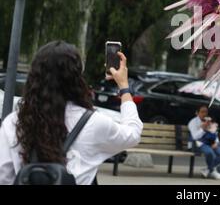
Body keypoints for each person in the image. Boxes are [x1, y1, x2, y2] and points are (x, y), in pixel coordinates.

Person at [0, 41, 143, 185]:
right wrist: (124, 87)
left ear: (34, 78)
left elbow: (3, 177)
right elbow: (133, 133)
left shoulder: (13, 123)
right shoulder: (94, 123)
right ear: (77, 79)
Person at [188, 105, 220, 179]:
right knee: (210, 153)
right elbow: (195, 137)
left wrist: (216, 142)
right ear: (197, 113)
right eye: (202, 112)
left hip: (210, 143)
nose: (204, 114)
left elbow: (214, 133)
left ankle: (207, 170)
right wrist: (203, 129)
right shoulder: (193, 122)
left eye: (206, 112)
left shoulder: (209, 121)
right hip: (198, 143)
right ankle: (212, 171)